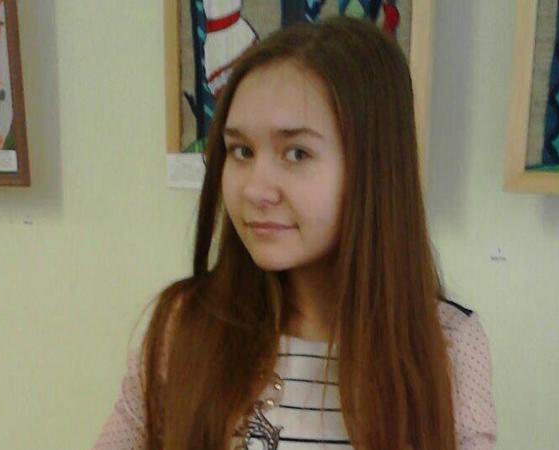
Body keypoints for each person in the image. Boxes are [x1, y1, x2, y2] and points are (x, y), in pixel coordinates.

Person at [92, 16, 496, 450]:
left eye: (297, 153)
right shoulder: (185, 326)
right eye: (241, 151)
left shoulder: (446, 345)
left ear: (374, 168)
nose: (255, 189)